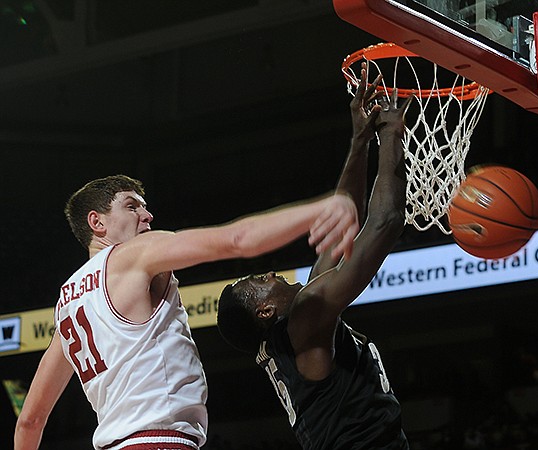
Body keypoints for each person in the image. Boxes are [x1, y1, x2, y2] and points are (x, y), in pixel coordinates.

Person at [14, 174, 361, 450]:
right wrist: (324, 207)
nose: (147, 215)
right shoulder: (133, 254)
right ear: (97, 222)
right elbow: (239, 239)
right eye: (132, 206)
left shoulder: (67, 307)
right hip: (158, 442)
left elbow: (30, 419)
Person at [216, 67, 411, 450]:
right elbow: (385, 222)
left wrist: (360, 141)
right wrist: (391, 136)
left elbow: (344, 222)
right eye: (259, 282)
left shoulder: (300, 322)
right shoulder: (304, 319)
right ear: (266, 311)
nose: (269, 273)